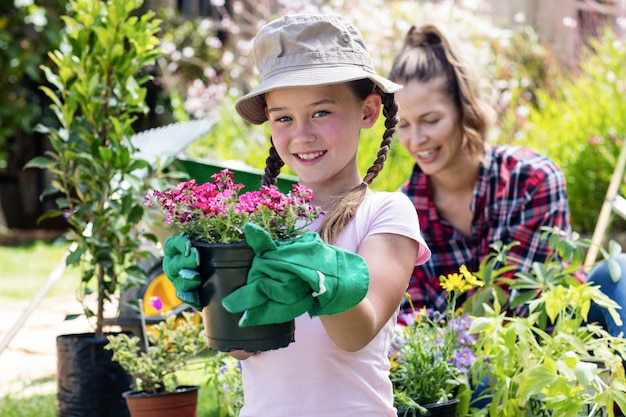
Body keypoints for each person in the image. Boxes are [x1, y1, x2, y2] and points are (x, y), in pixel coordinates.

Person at [163, 14, 431, 416]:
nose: (302, 134)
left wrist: (321, 278)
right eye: (283, 117)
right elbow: (242, 348)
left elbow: (356, 333)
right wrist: (209, 289)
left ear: (368, 111)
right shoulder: (257, 223)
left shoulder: (387, 213)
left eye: (321, 112)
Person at [387, 22, 626, 335]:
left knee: (619, 271)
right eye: (403, 125)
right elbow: (410, 326)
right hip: (462, 373)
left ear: (465, 108)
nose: (416, 139)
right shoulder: (401, 215)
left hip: (552, 346)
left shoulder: (531, 181)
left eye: (431, 120)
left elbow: (523, 308)